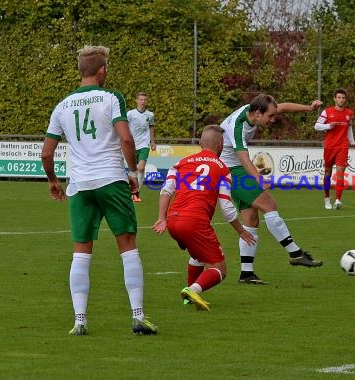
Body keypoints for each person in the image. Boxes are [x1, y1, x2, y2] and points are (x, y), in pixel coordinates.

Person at [41, 45, 157, 336]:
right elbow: (126, 139)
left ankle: (79, 321)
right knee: (127, 246)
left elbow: (46, 153)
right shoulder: (111, 97)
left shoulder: (62, 104)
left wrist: (53, 181)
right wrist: (132, 173)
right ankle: (138, 317)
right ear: (102, 70)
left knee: (81, 252)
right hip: (110, 179)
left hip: (79, 186)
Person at [220, 94, 324, 285]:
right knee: (269, 204)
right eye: (270, 116)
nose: (273, 119)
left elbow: (281, 106)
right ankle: (295, 253)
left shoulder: (254, 111)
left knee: (251, 220)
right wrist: (259, 179)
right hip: (231, 170)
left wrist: (308, 108)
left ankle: (246, 273)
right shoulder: (238, 125)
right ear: (258, 113)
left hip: (235, 168)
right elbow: (243, 158)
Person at [152, 125, 256, 311]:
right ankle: (192, 290)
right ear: (221, 144)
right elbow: (226, 206)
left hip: (173, 220)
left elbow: (166, 190)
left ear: (200, 143)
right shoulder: (223, 169)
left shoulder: (181, 163)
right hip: (194, 221)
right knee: (220, 269)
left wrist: (162, 218)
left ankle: (189, 297)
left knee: (197, 254)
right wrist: (241, 230)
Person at [314, 88, 355, 210]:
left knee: (340, 173)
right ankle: (327, 198)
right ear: (334, 99)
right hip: (329, 147)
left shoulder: (349, 113)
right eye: (339, 97)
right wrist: (328, 126)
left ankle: (338, 200)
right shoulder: (327, 112)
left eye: (343, 98)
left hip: (343, 147)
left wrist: (352, 142)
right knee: (327, 173)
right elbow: (316, 126)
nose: (341, 100)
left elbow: (349, 129)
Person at [127, 91, 156, 202]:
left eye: (145, 100)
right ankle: (133, 190)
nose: (143, 102)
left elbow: (151, 127)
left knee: (141, 167)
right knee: (133, 169)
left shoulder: (150, 115)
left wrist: (152, 141)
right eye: (141, 99)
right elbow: (124, 126)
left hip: (144, 144)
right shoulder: (130, 114)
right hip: (132, 145)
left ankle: (137, 191)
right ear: (137, 101)